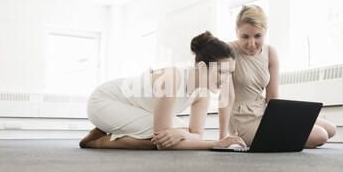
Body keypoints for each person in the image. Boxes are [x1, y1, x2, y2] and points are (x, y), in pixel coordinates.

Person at [80, 31, 246, 150]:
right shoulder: (172, 79)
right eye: (222, 72)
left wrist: (182, 134)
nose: (226, 79)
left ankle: (112, 130)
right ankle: (97, 141)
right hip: (104, 102)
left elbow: (197, 135)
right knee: (161, 140)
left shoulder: (203, 94)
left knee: (175, 135)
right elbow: (162, 143)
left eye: (229, 73)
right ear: (202, 68)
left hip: (135, 109)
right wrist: (215, 143)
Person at [218, 5, 336, 148]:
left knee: (330, 129)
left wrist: (281, 118)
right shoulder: (226, 51)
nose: (251, 44)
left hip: (264, 113)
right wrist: (222, 137)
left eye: (257, 36)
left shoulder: (270, 52)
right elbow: (225, 97)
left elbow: (272, 97)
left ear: (265, 32)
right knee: (320, 135)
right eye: (245, 37)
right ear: (237, 32)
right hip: (242, 120)